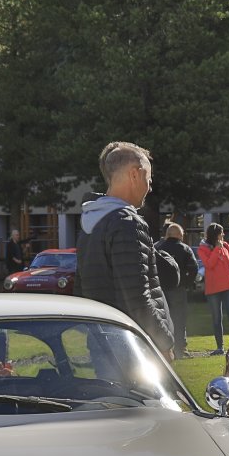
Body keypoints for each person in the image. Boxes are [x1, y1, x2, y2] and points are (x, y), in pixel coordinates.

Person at [75, 141, 175, 357]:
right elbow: (138, 297)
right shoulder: (127, 222)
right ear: (135, 174)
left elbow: (80, 289)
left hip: (102, 343)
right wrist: (164, 344)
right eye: (149, 178)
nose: (150, 187)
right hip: (133, 348)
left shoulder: (90, 223)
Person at [198, 222, 229, 355]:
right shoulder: (202, 249)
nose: (223, 235)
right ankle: (220, 348)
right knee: (217, 318)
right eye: (221, 233)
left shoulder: (227, 246)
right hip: (213, 289)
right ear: (215, 235)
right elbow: (209, 264)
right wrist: (217, 249)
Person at [156, 222, 199, 359]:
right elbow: (194, 269)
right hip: (178, 289)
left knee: (162, 319)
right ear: (180, 235)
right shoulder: (185, 249)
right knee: (179, 320)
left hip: (161, 289)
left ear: (167, 234)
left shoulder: (158, 248)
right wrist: (186, 283)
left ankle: (163, 349)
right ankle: (180, 350)